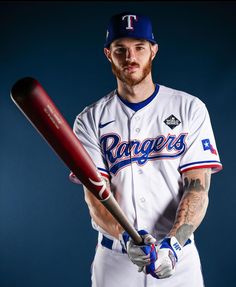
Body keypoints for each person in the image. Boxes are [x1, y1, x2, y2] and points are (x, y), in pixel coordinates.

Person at [69, 11, 222, 287]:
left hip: (179, 259)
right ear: (108, 54)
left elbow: (197, 188)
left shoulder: (189, 108)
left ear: (153, 50)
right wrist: (125, 236)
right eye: (121, 49)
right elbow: (95, 198)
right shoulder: (90, 119)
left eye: (139, 47)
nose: (131, 57)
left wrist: (173, 244)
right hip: (115, 260)